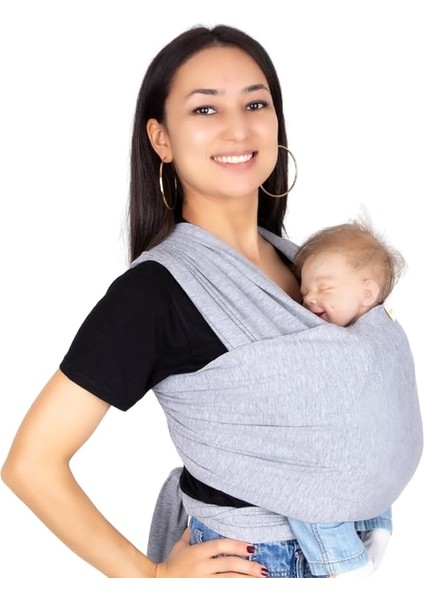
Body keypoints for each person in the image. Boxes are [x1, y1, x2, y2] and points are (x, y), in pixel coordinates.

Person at [1, 25, 421, 579]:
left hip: (354, 560)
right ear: (162, 140)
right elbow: (31, 464)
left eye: (255, 103)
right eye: (205, 109)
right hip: (256, 567)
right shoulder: (156, 293)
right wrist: (151, 578)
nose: (238, 127)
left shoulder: (306, 267)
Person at [284, 221, 405, 576]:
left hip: (362, 465)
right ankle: (373, 525)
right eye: (305, 291)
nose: (309, 298)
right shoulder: (366, 334)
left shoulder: (376, 338)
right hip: (364, 473)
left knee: (300, 483)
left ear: (368, 294)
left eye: (324, 287)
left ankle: (344, 561)